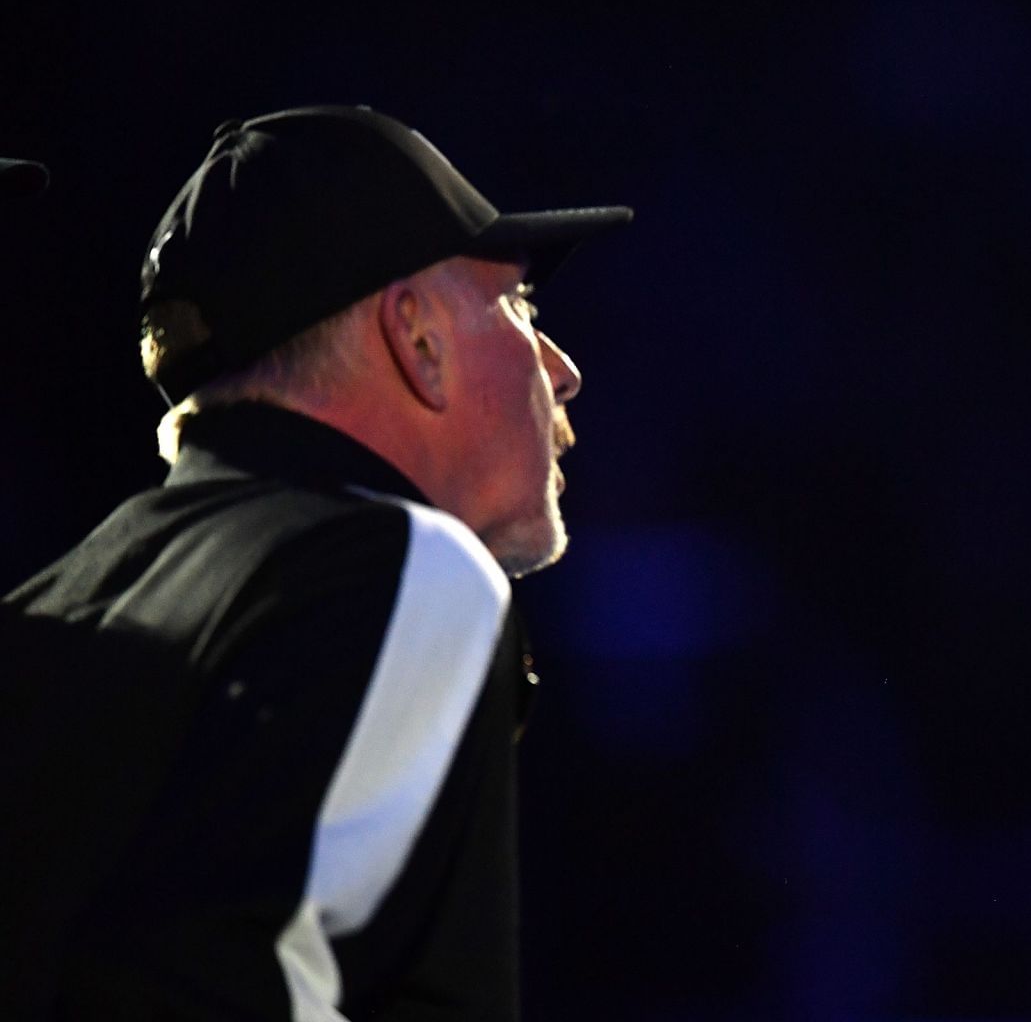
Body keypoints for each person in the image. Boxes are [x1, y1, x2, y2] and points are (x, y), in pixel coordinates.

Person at [0, 105, 629, 1020]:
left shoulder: (49, 609)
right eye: (517, 306)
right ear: (416, 339)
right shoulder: (397, 562)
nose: (561, 367)